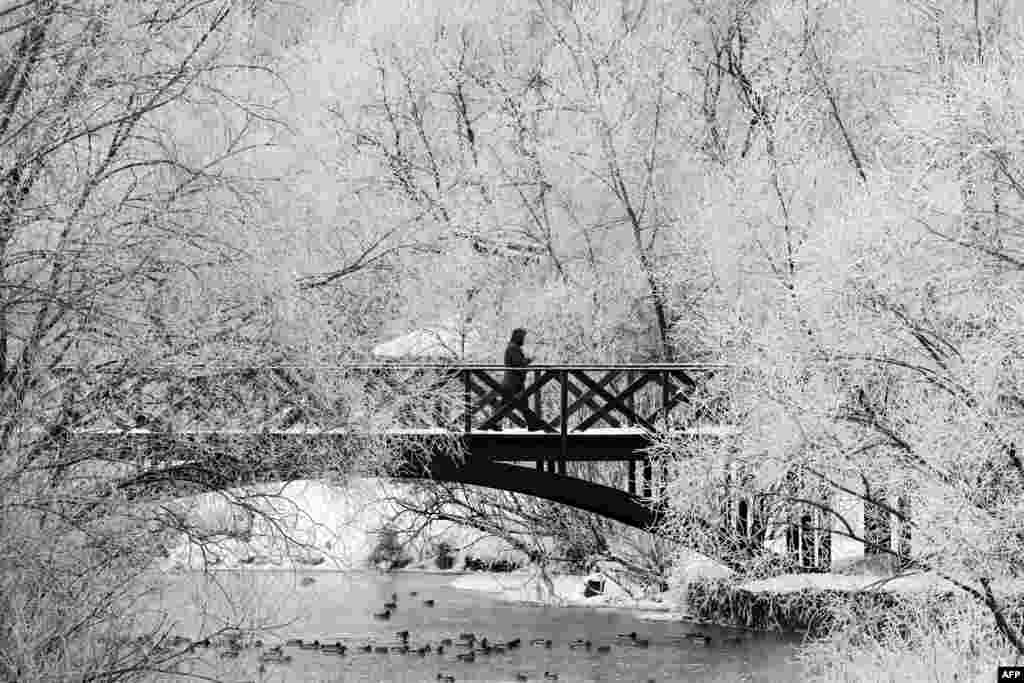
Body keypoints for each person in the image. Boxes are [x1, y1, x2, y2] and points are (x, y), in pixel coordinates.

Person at [485, 328, 544, 431]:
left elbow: (518, 363)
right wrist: (529, 360)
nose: (524, 340)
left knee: (510, 404)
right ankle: (532, 425)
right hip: (514, 382)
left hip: (512, 381)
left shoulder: (512, 347)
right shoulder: (513, 348)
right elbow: (519, 364)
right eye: (522, 337)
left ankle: (494, 423)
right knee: (519, 404)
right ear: (518, 337)